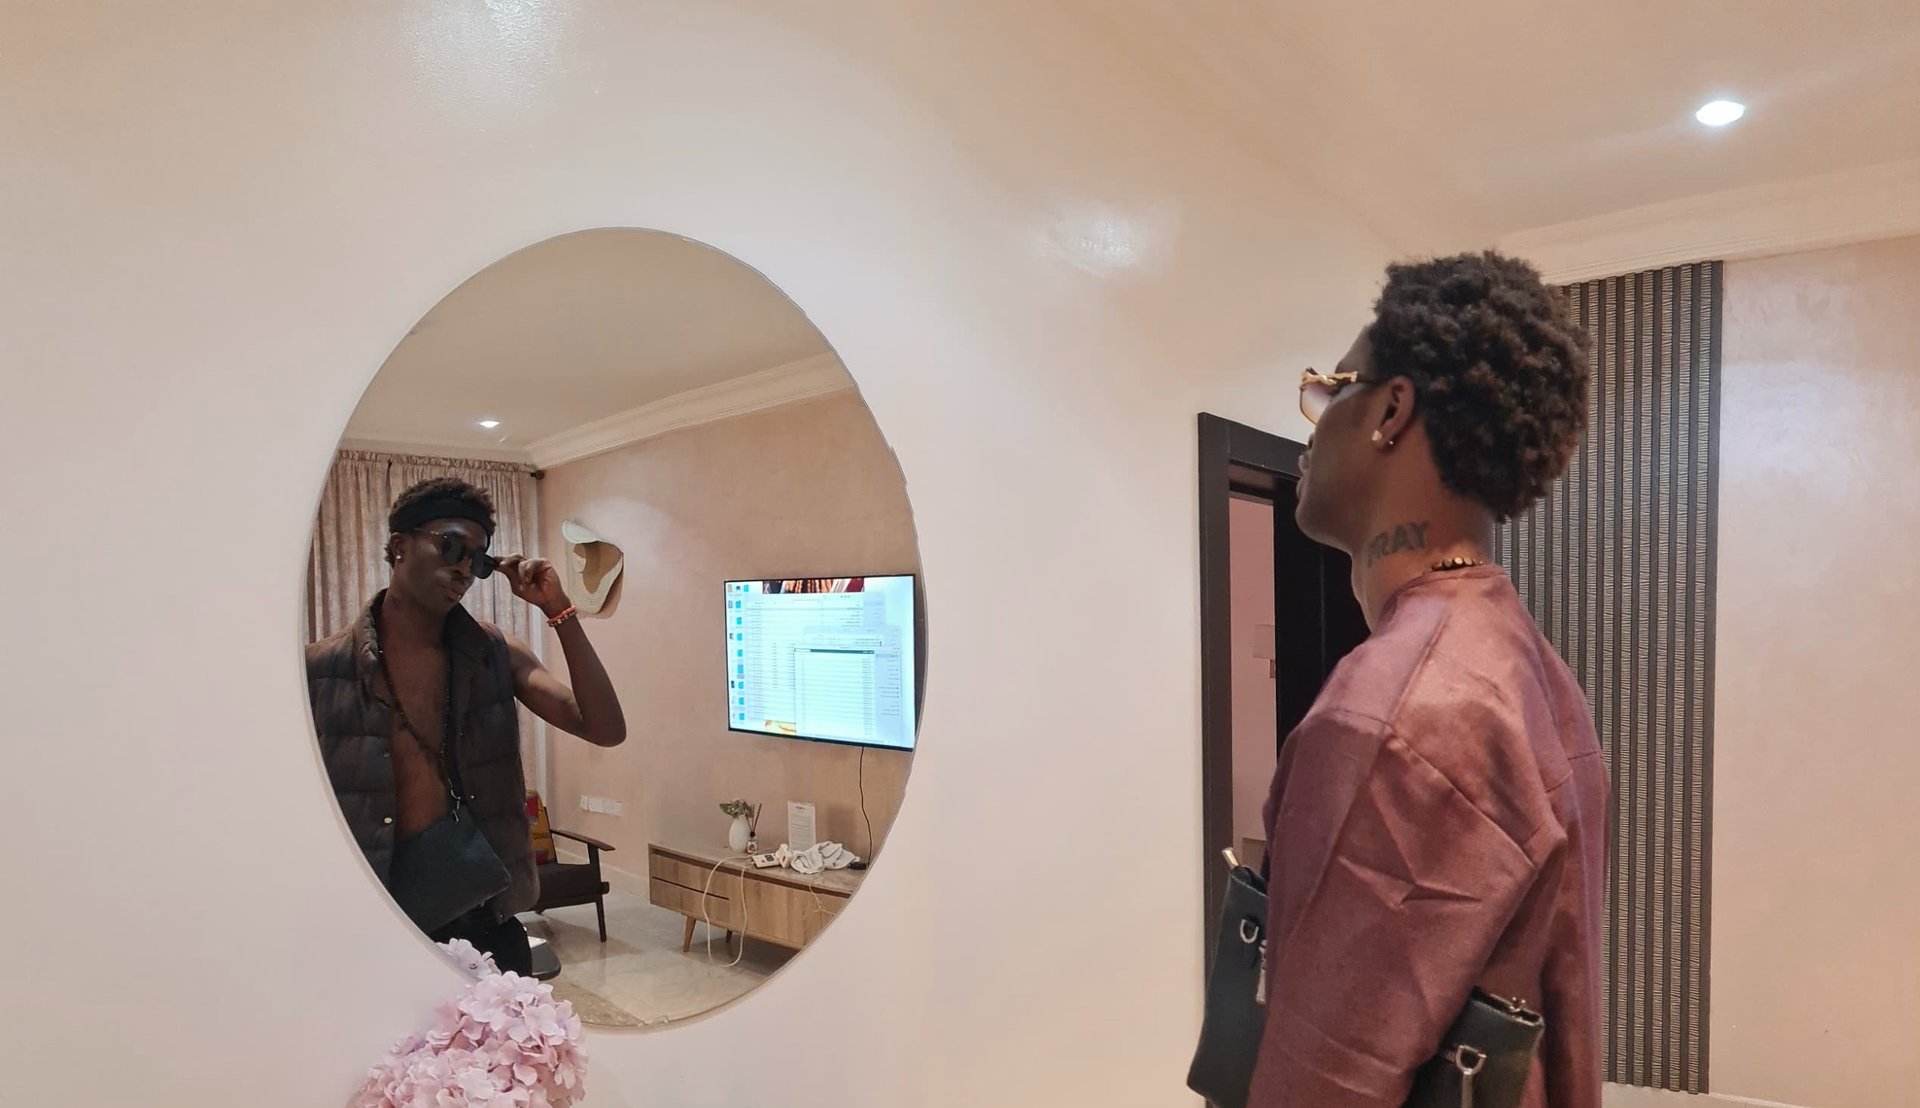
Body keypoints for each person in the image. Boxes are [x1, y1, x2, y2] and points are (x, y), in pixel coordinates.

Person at [1249, 252, 1605, 1107]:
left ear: (1391, 410)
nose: (1311, 426)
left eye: (1330, 391)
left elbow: (1324, 1078)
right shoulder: (1530, 666)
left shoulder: (1392, 714)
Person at [307, 478, 627, 974]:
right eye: (451, 546)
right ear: (399, 546)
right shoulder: (322, 670)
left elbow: (604, 728)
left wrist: (558, 609)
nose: (462, 569)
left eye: (477, 560)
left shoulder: (496, 654)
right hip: (374, 921)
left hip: (486, 918)